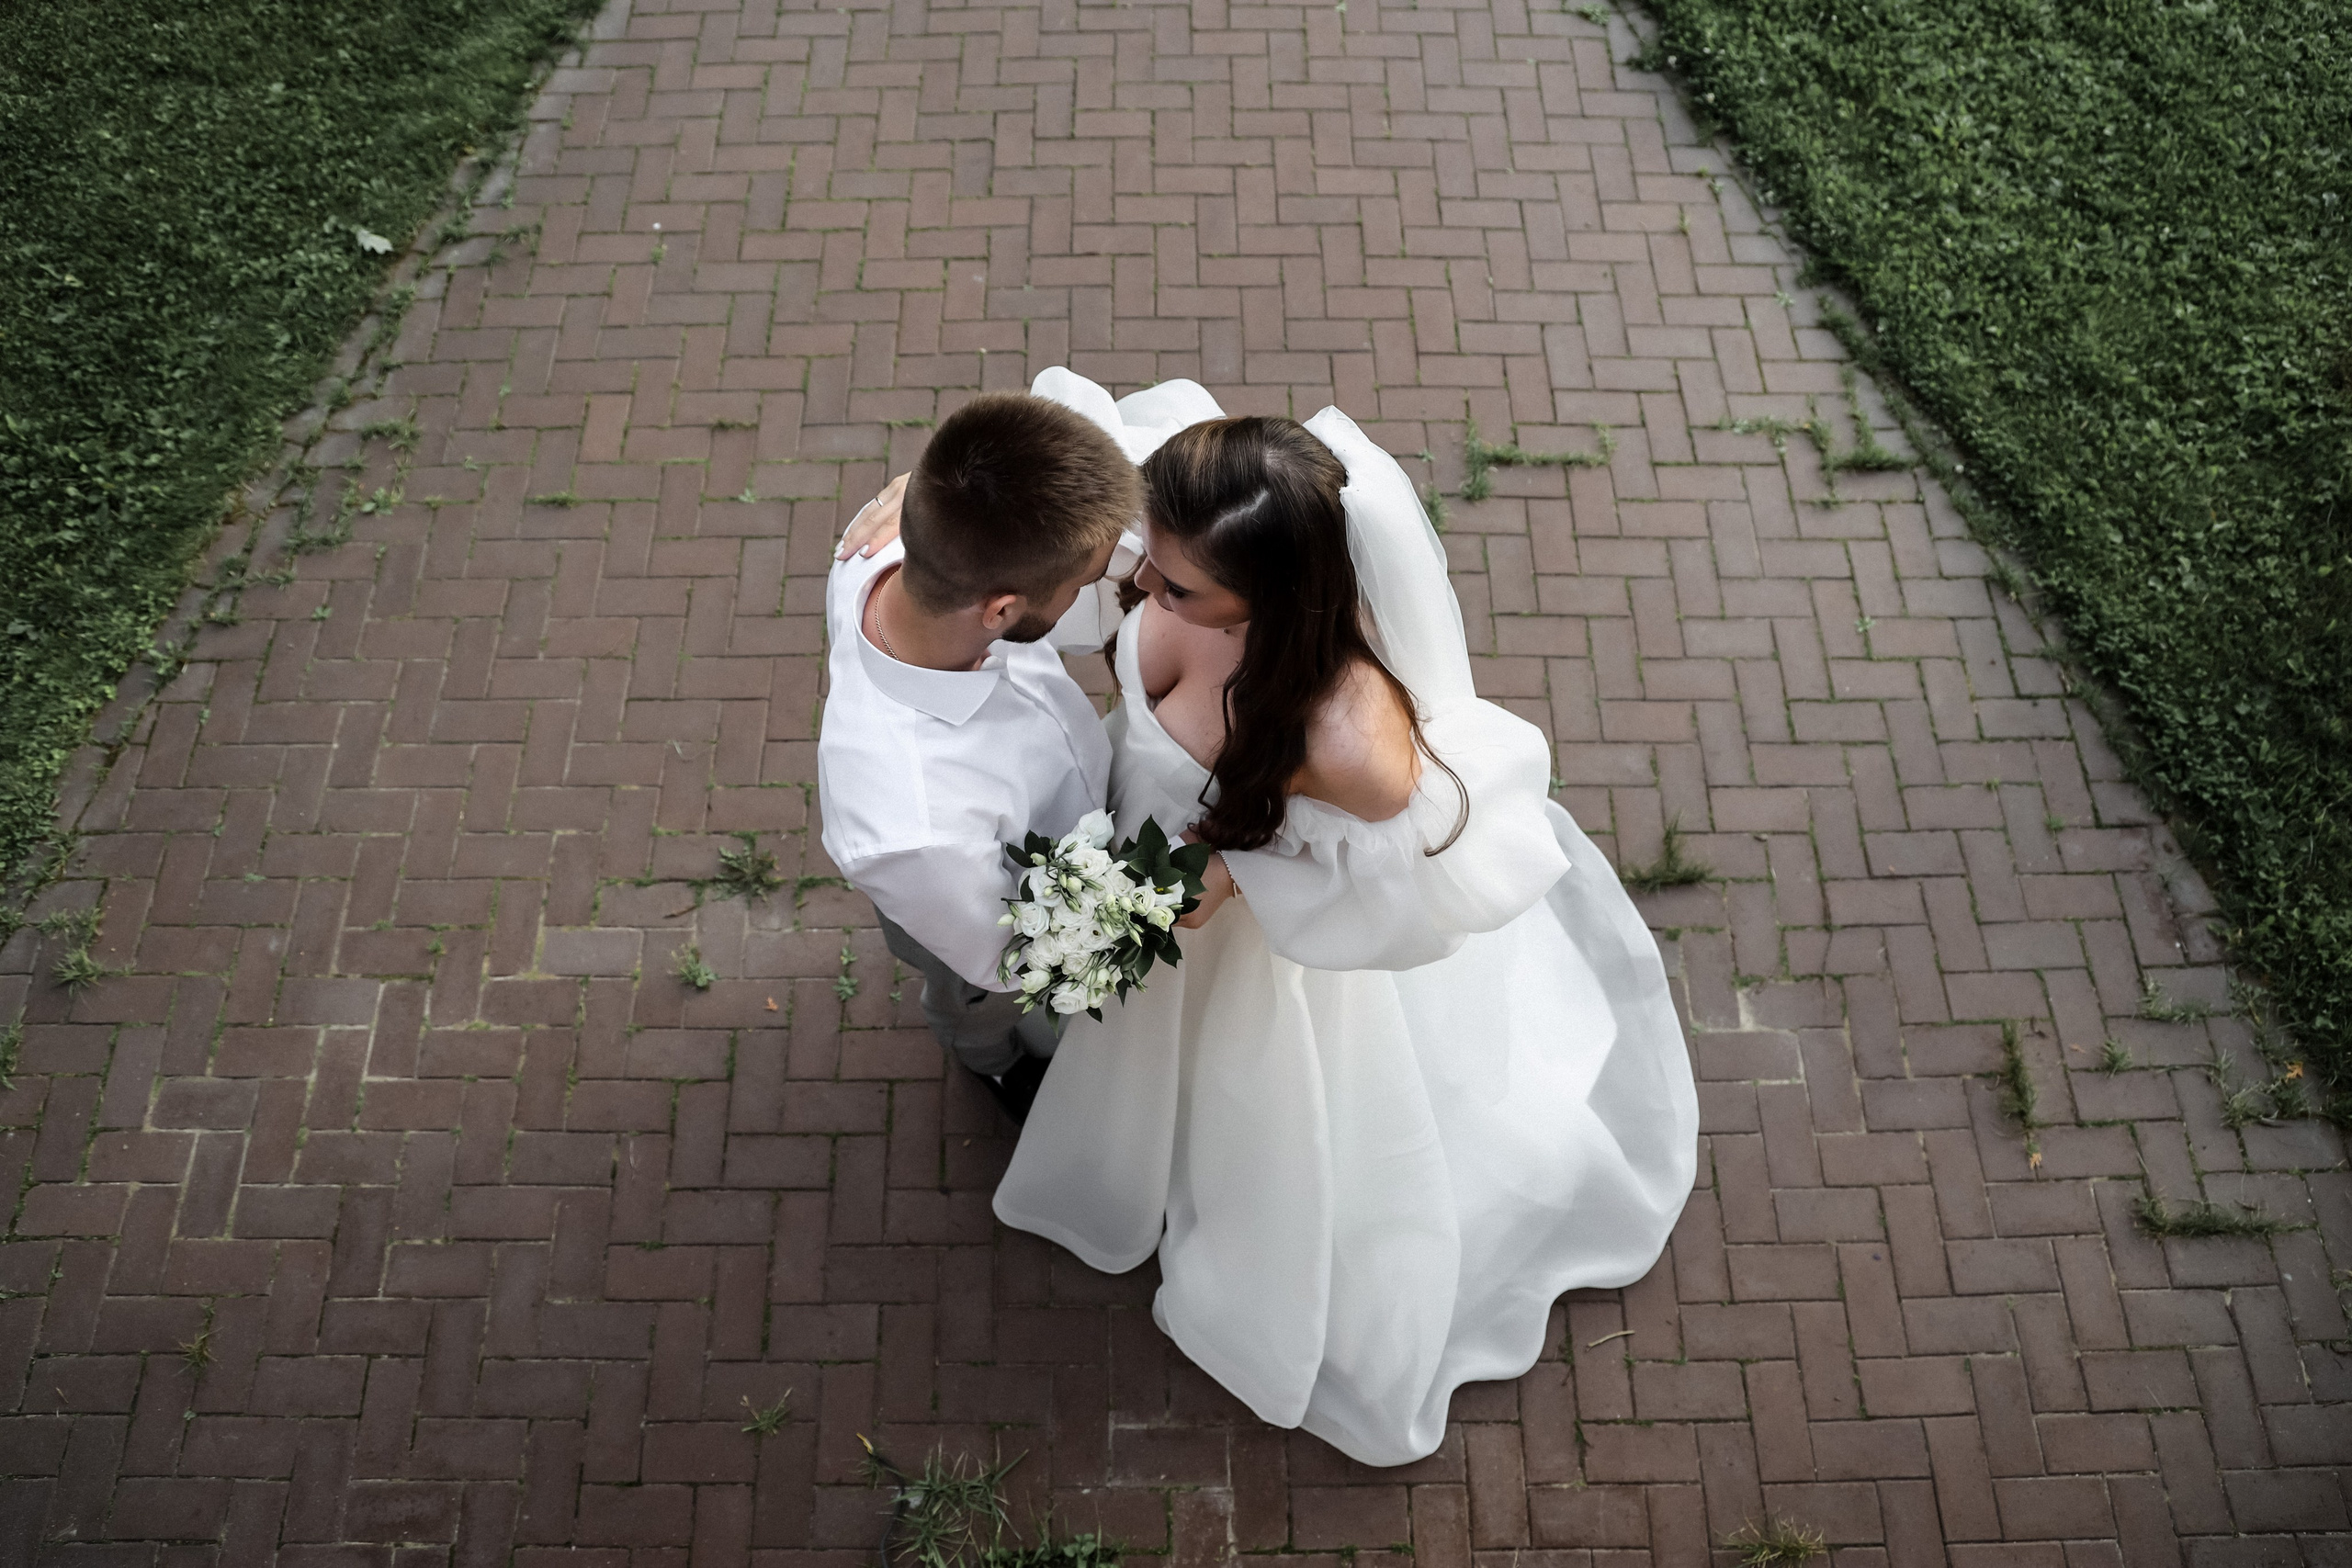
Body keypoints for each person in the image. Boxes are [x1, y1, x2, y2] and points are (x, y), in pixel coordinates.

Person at [980, 378, 1702, 1468]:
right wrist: (913, 506)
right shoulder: (1184, 506)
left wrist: (1205, 884)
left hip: (1256, 941)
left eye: (1179, 587)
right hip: (1150, 852)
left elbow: (1387, 893)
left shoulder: (1355, 745)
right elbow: (1054, 484)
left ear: (1271, 594)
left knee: (1256, 1114)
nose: (1140, 584)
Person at [814, 390, 1141, 1121]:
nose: (1103, 581)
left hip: (1057, 832)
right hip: (967, 918)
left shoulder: (909, 532)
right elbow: (1008, 955)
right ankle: (989, 1066)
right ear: (999, 610)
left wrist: (908, 488)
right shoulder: (913, 827)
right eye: (1081, 583)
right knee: (976, 1003)